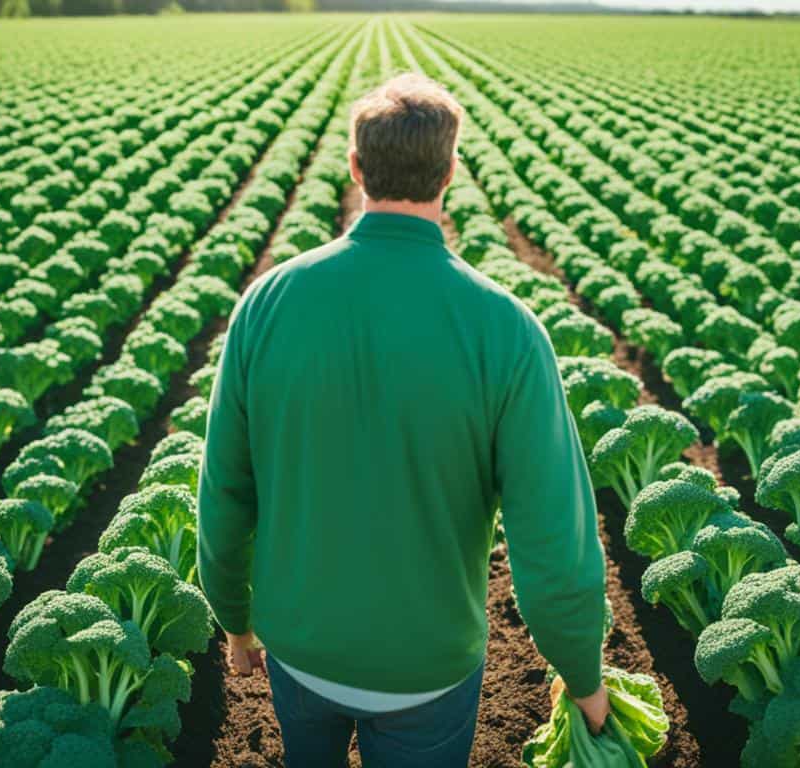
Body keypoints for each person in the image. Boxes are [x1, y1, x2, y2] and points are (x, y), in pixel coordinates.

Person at [197, 72, 608, 768]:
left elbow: (226, 491)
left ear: (356, 168)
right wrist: (584, 675)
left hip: (302, 647)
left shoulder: (266, 304)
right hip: (429, 666)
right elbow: (552, 539)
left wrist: (235, 622)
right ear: (450, 172)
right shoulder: (506, 330)